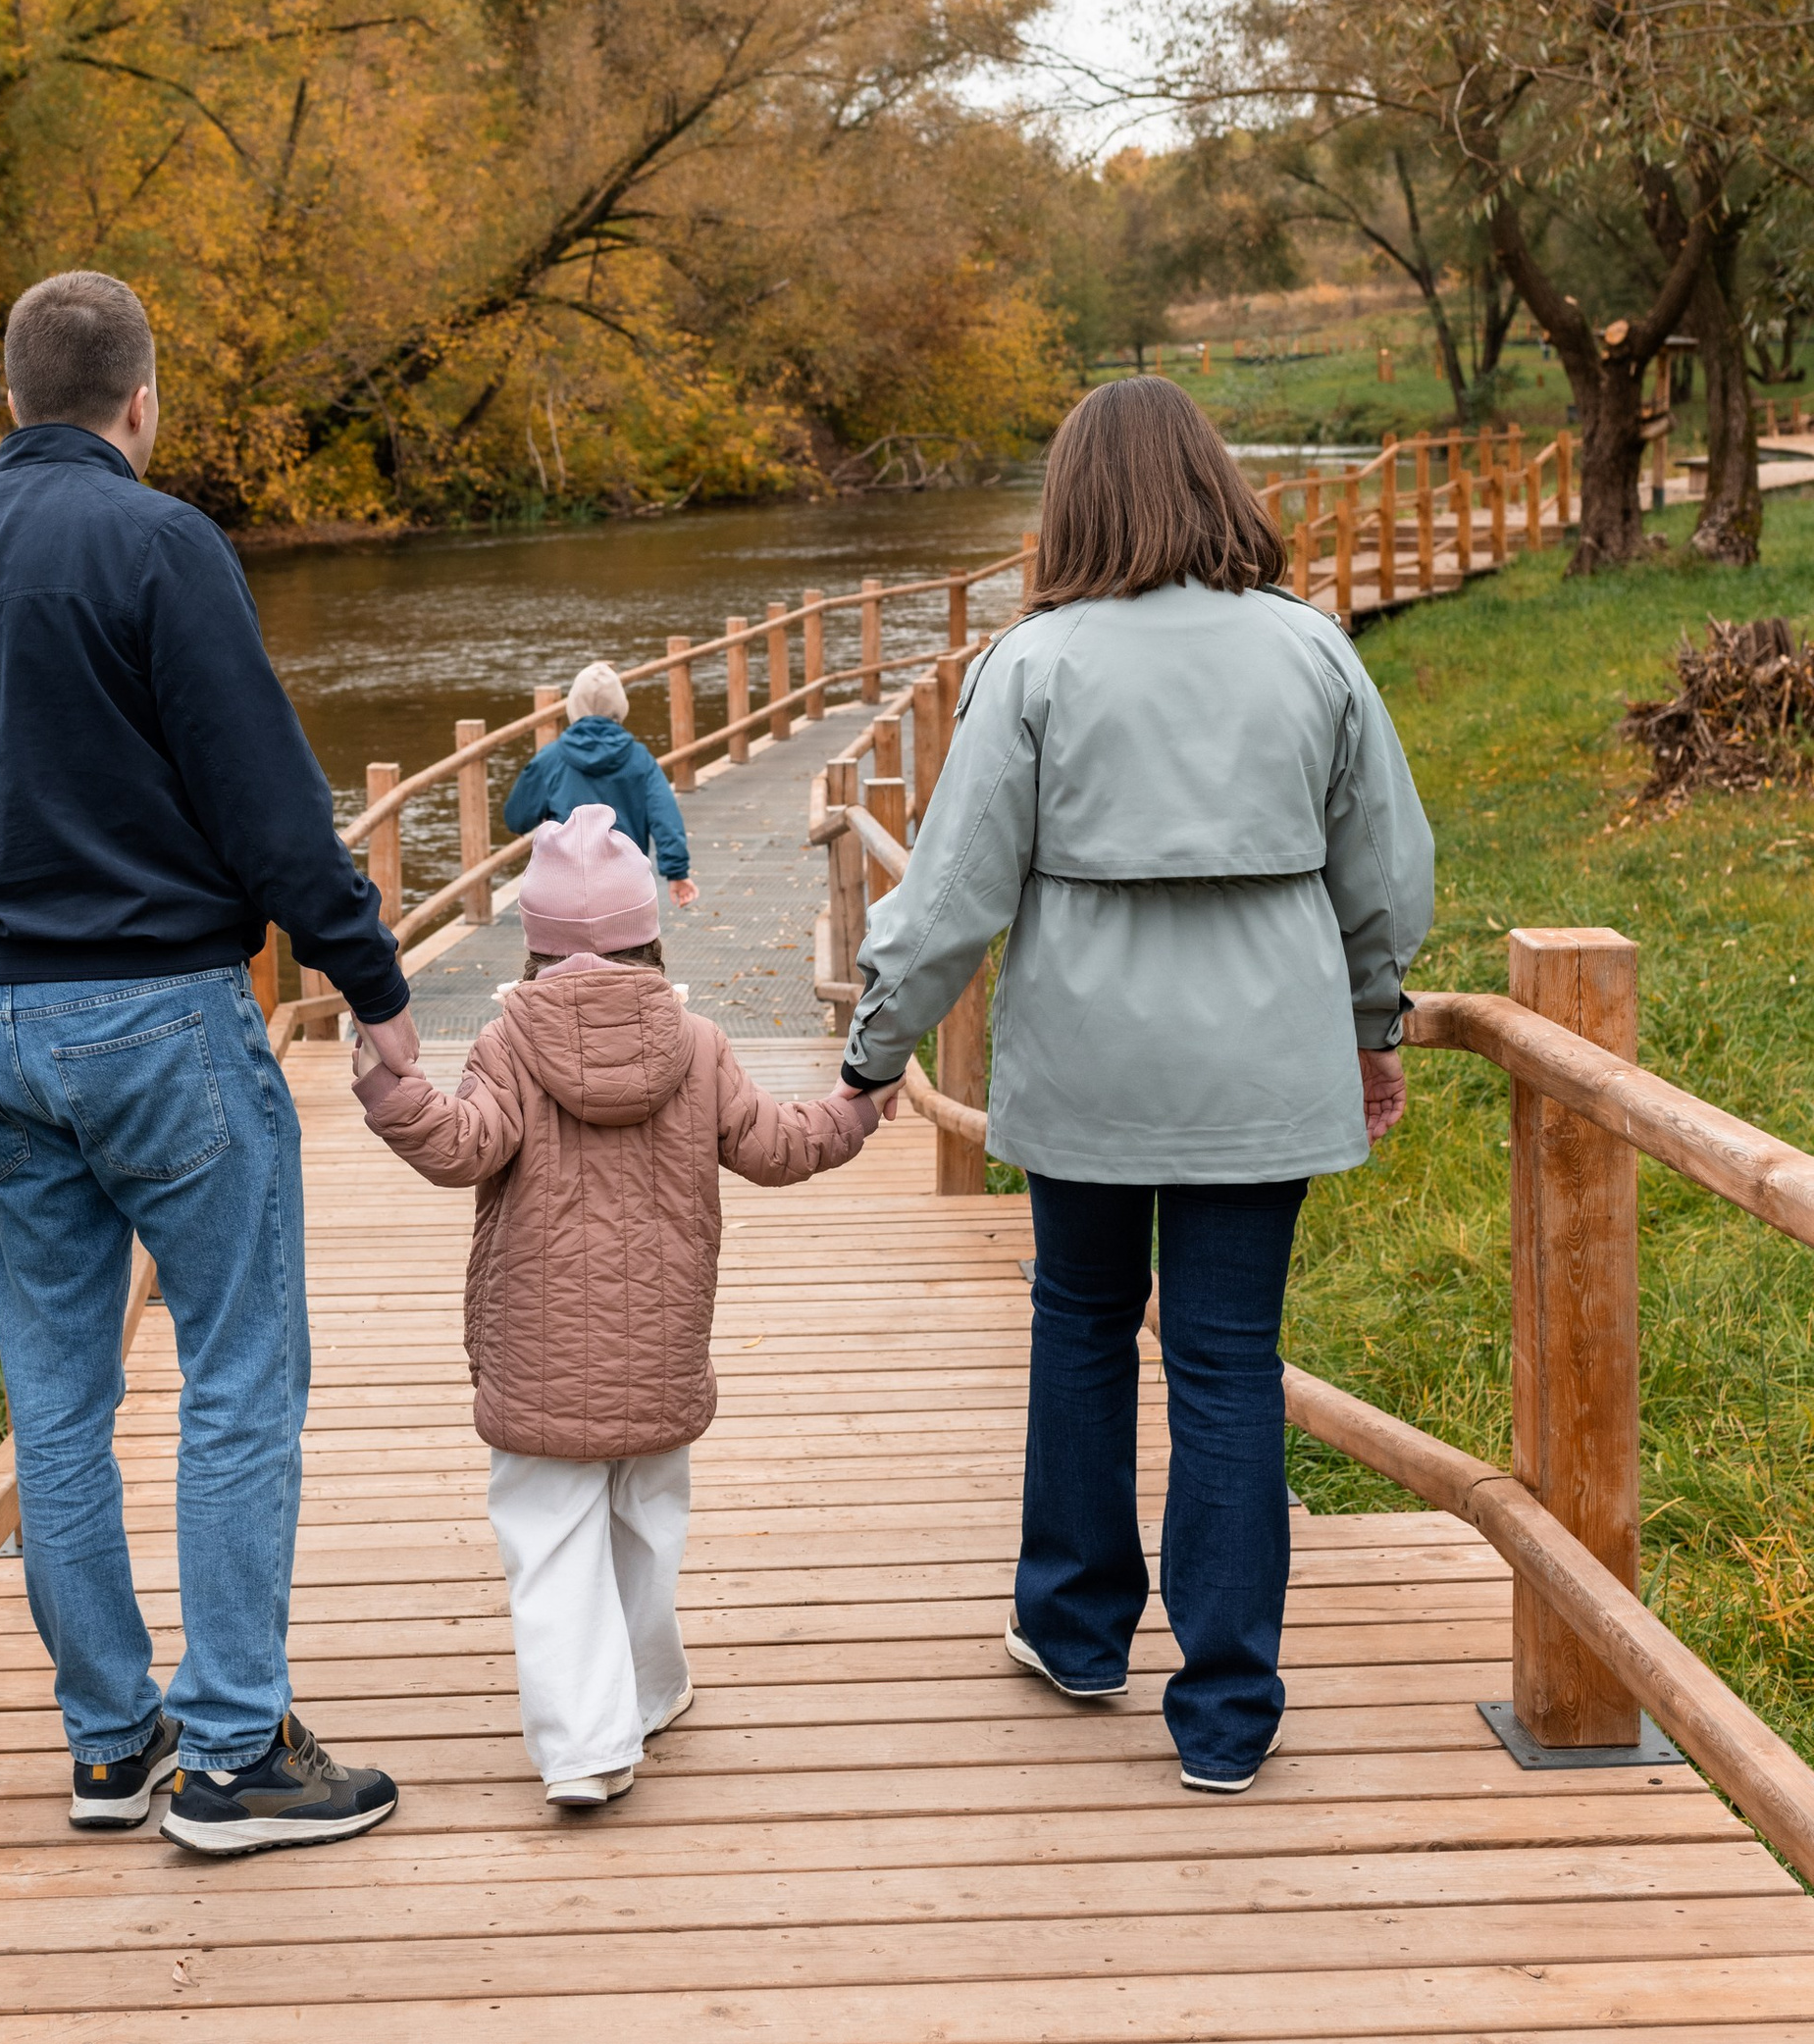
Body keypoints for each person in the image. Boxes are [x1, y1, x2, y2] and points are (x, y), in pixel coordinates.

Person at [0, 269, 413, 1859]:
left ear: (7, 400)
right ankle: (235, 1756)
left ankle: (111, 1747)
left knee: (59, 1398)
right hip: (165, 1016)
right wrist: (373, 985)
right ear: (141, 402)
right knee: (240, 1371)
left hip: (4, 1035)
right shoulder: (164, 547)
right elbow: (269, 805)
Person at [838, 376, 1435, 1795]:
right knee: (1229, 1363)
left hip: (1091, 1074)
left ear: (1072, 506)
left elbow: (952, 893)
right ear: (1219, 486)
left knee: (1085, 1328)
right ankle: (1229, 1711)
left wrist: (874, 1050)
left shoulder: (1033, 665)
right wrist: (1373, 1027)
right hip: (1264, 1069)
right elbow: (1387, 872)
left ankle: (1079, 1630)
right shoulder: (1312, 651)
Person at [351, 803, 887, 1805]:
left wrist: (392, 1093)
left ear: (534, 940)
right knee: (646, 1520)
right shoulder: (696, 1042)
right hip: (661, 1340)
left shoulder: (508, 1043)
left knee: (551, 1539)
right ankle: (647, 1688)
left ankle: (587, 1749)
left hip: (537, 1349)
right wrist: (853, 1108)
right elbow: (775, 1146)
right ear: (650, 933)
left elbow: (459, 1148)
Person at [502, 661, 700, 908]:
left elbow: (516, 818)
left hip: (566, 883)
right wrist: (677, 873)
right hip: (626, 879)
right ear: (620, 706)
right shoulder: (640, 759)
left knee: (562, 943)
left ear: (573, 706)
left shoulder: (550, 759)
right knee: (628, 943)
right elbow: (665, 817)